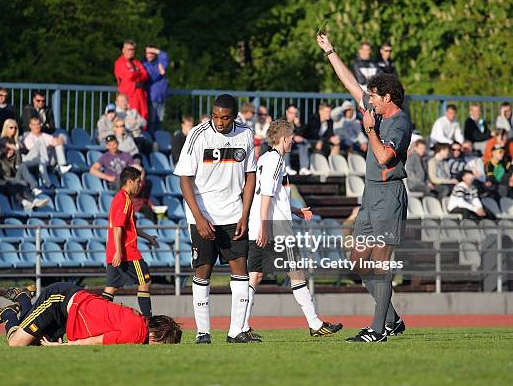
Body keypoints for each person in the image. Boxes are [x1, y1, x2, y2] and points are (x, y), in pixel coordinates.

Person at [317, 32, 411, 342]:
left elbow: (385, 156)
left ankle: (378, 329)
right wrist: (330, 52)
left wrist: (370, 131)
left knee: (381, 262)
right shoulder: (376, 109)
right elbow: (349, 83)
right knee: (358, 260)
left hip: (389, 195)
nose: (367, 100)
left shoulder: (399, 122)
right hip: (370, 195)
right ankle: (392, 318)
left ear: (387, 97)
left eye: (372, 96)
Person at [244, 119, 343, 338]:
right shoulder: (277, 160)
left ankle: (242, 326)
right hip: (274, 227)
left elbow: (271, 195)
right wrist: (265, 226)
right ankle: (315, 324)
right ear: (284, 138)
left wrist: (296, 210)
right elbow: (268, 195)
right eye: (291, 138)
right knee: (297, 273)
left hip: (261, 223)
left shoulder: (264, 159)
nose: (292, 142)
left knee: (255, 276)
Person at [174, 94, 257, 344]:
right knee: (203, 270)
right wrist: (199, 218)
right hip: (204, 215)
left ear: (234, 116)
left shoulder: (245, 134)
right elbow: (184, 178)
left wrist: (245, 213)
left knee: (241, 270)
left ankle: (236, 331)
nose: (220, 122)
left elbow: (250, 174)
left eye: (225, 117)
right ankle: (203, 332)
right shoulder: (197, 135)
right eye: (216, 116)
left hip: (233, 214)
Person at [0, 282, 182, 346]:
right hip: (59, 299)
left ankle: (22, 300)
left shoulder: (139, 319)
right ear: (157, 335)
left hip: (71, 310)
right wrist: (63, 347)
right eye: (164, 342)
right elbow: (96, 341)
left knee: (36, 342)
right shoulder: (136, 334)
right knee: (16, 342)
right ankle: (11, 312)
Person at [101, 167, 159, 318]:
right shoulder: (124, 200)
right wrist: (119, 251)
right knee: (145, 282)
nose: (140, 185)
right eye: (138, 182)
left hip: (113, 252)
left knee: (111, 288)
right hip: (127, 253)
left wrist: (148, 237)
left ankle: (98, 318)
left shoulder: (120, 199)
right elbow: (117, 227)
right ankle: (148, 322)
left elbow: (130, 226)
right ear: (129, 182)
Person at [0, 142, 49, 211]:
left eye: (11, 150)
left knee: (23, 166)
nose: (10, 152)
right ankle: (32, 200)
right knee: (21, 184)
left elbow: (19, 165)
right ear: (3, 150)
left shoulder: (15, 157)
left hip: (16, 178)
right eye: (8, 149)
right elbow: (2, 175)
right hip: (6, 180)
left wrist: (17, 150)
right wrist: (17, 181)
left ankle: (34, 188)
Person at [21, 117, 72, 184]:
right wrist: (50, 146)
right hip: (37, 160)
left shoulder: (46, 136)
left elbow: (56, 141)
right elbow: (35, 151)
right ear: (30, 126)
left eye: (38, 124)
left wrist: (59, 140)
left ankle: (62, 165)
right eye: (34, 125)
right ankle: (55, 169)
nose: (37, 126)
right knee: (42, 144)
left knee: (58, 143)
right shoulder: (28, 138)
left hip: (49, 159)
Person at [114, 40, 149, 121]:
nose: (131, 52)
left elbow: (145, 75)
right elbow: (128, 75)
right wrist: (138, 74)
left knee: (144, 117)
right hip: (129, 95)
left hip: (140, 93)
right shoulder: (119, 62)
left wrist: (135, 75)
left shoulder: (136, 62)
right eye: (129, 49)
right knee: (132, 118)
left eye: (133, 49)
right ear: (123, 50)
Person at [142, 45, 170, 132]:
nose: (149, 55)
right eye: (147, 53)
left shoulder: (158, 62)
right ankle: (152, 142)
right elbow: (153, 75)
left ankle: (158, 141)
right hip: (152, 97)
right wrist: (160, 71)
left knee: (160, 121)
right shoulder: (144, 64)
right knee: (152, 121)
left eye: (152, 53)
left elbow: (165, 57)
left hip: (161, 97)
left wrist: (156, 50)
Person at [283, 104, 309, 175]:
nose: (293, 115)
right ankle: (286, 167)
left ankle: (303, 168)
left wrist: (298, 126)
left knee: (303, 142)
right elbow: (282, 134)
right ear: (287, 112)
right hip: (284, 144)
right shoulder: (282, 122)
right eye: (291, 113)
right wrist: (293, 137)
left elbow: (303, 135)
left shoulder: (298, 123)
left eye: (295, 113)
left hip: (295, 145)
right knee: (287, 141)